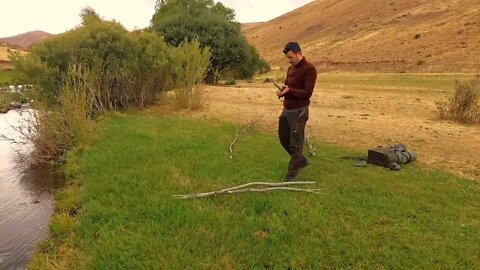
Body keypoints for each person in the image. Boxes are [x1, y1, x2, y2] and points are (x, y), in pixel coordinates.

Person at [276, 41, 317, 181]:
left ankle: (292, 173)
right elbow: (288, 87)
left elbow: (307, 93)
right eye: (287, 58)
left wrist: (290, 90)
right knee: (283, 137)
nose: (289, 60)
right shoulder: (290, 69)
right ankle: (300, 160)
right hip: (287, 108)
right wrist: (282, 91)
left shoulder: (309, 69)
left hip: (300, 111)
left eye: (291, 57)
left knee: (296, 142)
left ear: (299, 53)